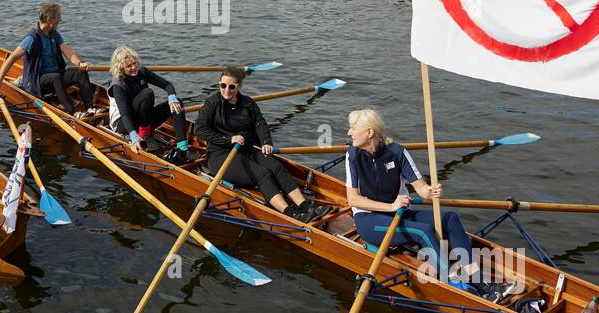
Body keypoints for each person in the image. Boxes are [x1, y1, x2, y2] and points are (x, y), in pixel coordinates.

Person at [342, 108, 480, 282]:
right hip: (369, 219)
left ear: (369, 132)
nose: (349, 133)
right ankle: (451, 278)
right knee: (423, 231)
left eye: (353, 128)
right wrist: (391, 206)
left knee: (451, 218)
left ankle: (473, 273)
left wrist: (430, 191)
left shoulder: (396, 152)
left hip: (398, 214)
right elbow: (353, 200)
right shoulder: (352, 156)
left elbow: (421, 187)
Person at [192, 67, 319, 221]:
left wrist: (266, 142)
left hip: (245, 149)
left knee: (276, 166)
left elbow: (260, 124)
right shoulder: (212, 103)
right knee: (262, 173)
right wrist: (228, 139)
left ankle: (305, 206)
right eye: (223, 85)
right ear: (219, 84)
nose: (226, 90)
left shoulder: (248, 103)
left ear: (239, 87)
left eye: (231, 87)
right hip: (220, 155)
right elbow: (199, 129)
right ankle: (291, 214)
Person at [0, 2, 95, 117]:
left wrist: (81, 63)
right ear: (49, 19)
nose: (60, 20)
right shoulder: (32, 38)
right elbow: (12, 58)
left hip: (55, 78)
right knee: (56, 77)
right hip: (37, 82)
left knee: (81, 73)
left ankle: (90, 109)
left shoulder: (54, 34)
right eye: (58, 18)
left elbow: (68, 53)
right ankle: (74, 113)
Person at [106, 46, 190, 162]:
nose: (134, 67)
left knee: (177, 103)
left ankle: (182, 148)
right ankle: (144, 135)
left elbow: (167, 85)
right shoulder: (118, 85)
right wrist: (133, 136)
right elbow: (125, 114)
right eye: (129, 66)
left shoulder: (142, 72)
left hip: (143, 119)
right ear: (121, 68)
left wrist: (172, 96)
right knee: (147, 93)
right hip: (123, 124)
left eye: (135, 63)